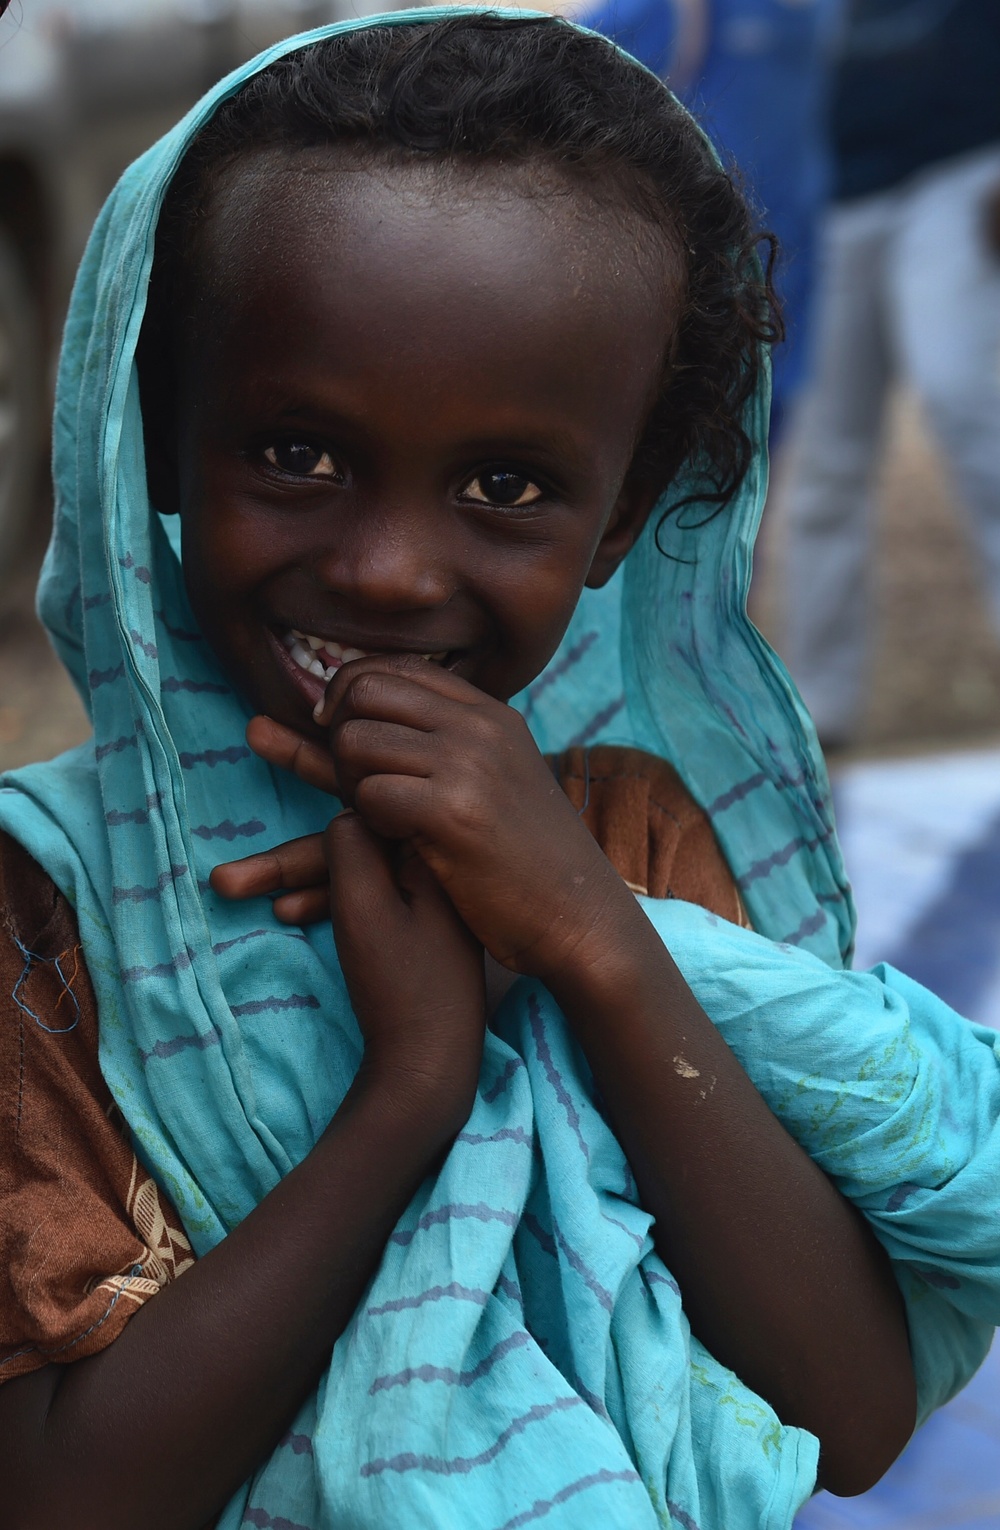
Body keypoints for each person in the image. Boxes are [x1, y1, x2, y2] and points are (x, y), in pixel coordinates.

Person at [0, 14, 998, 1530]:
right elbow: (68, 1497)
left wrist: (590, 937)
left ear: (622, 518)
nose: (393, 570)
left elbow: (846, 1411)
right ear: (153, 439)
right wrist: (412, 1087)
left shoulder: (624, 841)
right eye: (296, 454)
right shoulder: (42, 913)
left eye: (506, 486)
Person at [781, 0, 1000, 747]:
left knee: (968, 405)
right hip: (833, 194)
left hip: (961, 171)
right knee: (826, 461)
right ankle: (821, 711)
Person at [576, 0, 839, 441]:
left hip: (791, 256)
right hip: (698, 263)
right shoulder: (670, 9)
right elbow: (560, 57)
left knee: (762, 433)